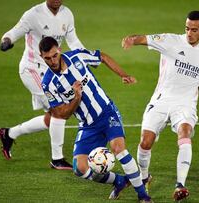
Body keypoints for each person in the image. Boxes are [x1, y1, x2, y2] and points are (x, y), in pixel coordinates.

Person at [39, 36, 152, 203]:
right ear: (42, 57)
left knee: (118, 149)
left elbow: (102, 57)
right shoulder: (48, 84)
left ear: (59, 50)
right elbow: (62, 113)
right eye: (47, 58)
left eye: (54, 55)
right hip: (87, 126)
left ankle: (143, 196)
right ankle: (120, 181)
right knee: (80, 169)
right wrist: (76, 97)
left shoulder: (77, 57)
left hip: (106, 112)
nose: (52, 61)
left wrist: (123, 74)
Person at [121, 11, 199, 201]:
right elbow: (145, 39)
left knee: (185, 132)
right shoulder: (171, 40)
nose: (189, 33)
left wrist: (192, 91)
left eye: (194, 30)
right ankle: (145, 176)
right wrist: (132, 40)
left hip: (185, 103)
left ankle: (180, 185)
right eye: (187, 28)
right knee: (145, 142)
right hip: (161, 99)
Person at [0, 0, 85, 170]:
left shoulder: (67, 14)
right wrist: (6, 41)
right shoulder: (33, 14)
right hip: (33, 70)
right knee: (60, 110)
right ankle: (57, 159)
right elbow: (14, 32)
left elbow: (73, 41)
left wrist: (85, 56)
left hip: (52, 71)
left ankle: (9, 134)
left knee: (52, 117)